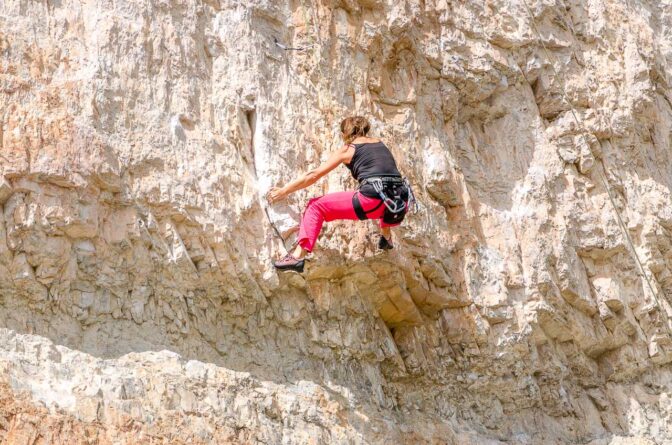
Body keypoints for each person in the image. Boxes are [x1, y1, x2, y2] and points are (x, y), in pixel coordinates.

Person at [266, 116, 411, 273]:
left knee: (315, 206)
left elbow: (313, 175)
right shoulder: (380, 144)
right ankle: (386, 237)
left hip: (371, 201)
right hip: (400, 201)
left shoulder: (349, 149)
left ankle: (297, 257)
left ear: (345, 133)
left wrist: (283, 191)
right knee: (385, 196)